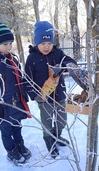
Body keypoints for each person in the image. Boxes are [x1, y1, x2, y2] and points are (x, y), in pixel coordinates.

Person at [25, 21, 78, 158]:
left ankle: (57, 136)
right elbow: (27, 80)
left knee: (62, 120)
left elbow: (71, 62)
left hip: (59, 94)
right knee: (47, 122)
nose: (46, 47)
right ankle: (49, 141)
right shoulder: (32, 58)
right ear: (37, 43)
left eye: (49, 43)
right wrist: (35, 96)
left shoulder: (58, 53)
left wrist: (62, 67)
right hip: (43, 98)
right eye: (43, 44)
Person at [0, 23, 32, 165]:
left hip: (16, 102)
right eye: (5, 44)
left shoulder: (13, 59)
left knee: (17, 126)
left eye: (10, 43)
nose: (9, 47)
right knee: (6, 131)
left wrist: (24, 93)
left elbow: (19, 79)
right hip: (2, 106)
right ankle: (11, 151)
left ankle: (19, 145)